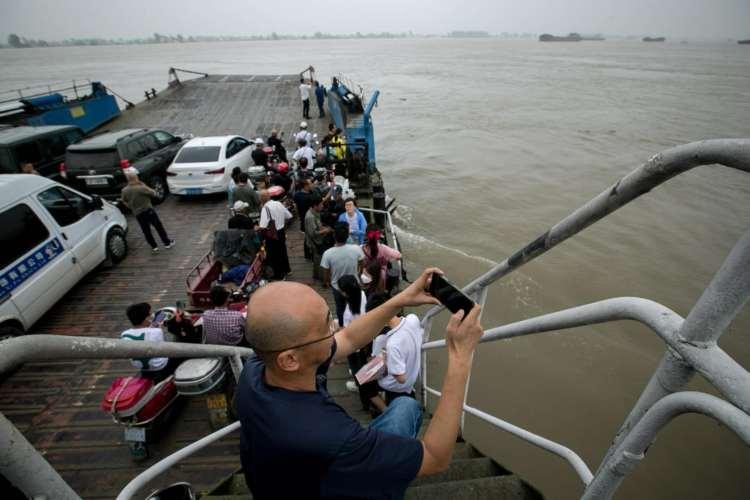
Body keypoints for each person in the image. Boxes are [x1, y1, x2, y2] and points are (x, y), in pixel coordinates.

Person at [236, 268, 484, 499]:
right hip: (332, 478)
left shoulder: (255, 371)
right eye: (326, 326)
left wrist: (401, 299)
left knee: (406, 407)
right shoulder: (332, 438)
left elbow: (348, 337)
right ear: (290, 359)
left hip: (286, 479)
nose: (334, 327)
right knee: (408, 409)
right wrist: (460, 357)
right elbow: (435, 458)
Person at [339, 274, 387, 415]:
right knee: (366, 372)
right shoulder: (362, 295)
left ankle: (368, 404)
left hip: (356, 347)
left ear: (346, 292)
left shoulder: (350, 311)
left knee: (360, 375)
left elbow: (348, 331)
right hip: (367, 341)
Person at [372, 308, 425, 405]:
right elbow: (420, 333)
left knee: (363, 382)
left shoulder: (392, 344)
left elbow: (401, 379)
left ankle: (383, 409)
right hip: (411, 381)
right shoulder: (413, 319)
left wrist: (386, 360)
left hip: (396, 389)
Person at [320, 222, 365, 326]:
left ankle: (342, 325)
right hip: (354, 285)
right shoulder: (356, 248)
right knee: (356, 305)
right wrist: (359, 273)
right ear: (347, 236)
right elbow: (362, 262)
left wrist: (326, 282)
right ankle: (357, 324)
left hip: (337, 287)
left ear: (334, 237)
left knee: (340, 308)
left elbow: (325, 273)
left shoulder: (328, 254)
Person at [120, 169, 174, 253]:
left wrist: (131, 207)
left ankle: (154, 246)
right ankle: (167, 243)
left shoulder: (124, 190)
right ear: (136, 178)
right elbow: (154, 193)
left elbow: (123, 200)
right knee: (158, 227)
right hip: (148, 210)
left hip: (137, 213)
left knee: (146, 230)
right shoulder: (141, 187)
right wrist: (143, 185)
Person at [121, 302, 174, 381]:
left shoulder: (124, 334)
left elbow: (146, 333)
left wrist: (154, 327)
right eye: (150, 314)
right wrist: (158, 328)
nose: (152, 315)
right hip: (160, 366)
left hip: (143, 368)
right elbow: (164, 349)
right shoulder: (157, 331)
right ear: (146, 318)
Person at [259, 189, 293, 280]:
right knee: (283, 250)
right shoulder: (278, 203)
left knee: (274, 254)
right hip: (281, 231)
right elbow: (289, 216)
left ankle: (279, 275)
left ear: (262, 199)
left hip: (272, 233)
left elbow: (262, 225)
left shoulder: (265, 208)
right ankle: (287, 270)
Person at [305, 195, 332, 280]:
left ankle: (317, 275)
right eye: (321, 204)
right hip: (315, 242)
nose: (322, 206)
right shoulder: (310, 217)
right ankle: (319, 277)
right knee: (318, 260)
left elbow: (318, 225)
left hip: (319, 240)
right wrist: (325, 231)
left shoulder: (316, 212)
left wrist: (323, 228)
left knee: (318, 259)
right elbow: (313, 233)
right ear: (315, 205)